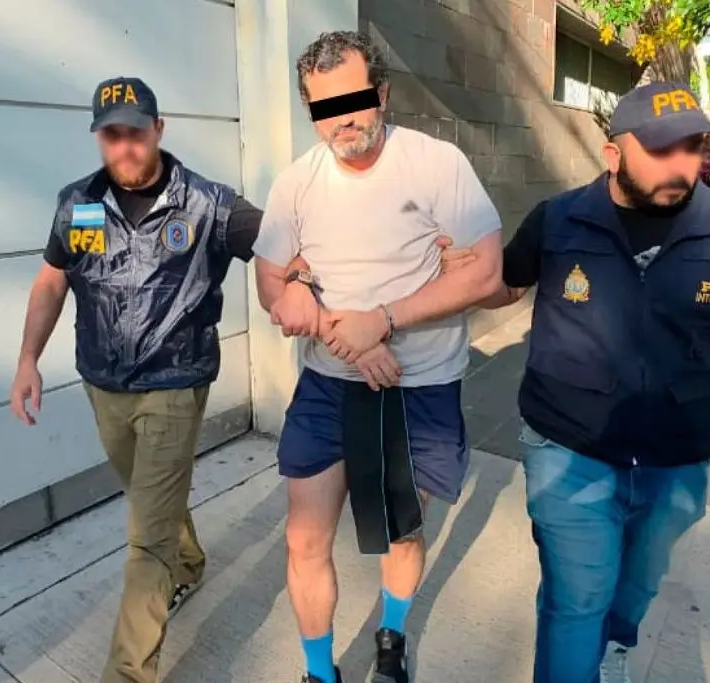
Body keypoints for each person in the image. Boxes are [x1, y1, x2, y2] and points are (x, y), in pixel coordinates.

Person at [443, 82, 710, 683]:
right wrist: (469, 276)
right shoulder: (559, 219)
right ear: (613, 154)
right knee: (577, 599)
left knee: (637, 583)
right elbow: (508, 284)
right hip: (568, 450)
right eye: (659, 149)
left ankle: (618, 642)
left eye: (693, 147)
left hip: (677, 461)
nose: (680, 164)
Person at [251, 31, 503, 683]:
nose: (342, 120)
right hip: (328, 388)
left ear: (382, 93)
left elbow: (485, 272)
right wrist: (317, 312)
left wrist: (382, 320)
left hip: (420, 387)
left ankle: (391, 635)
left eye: (354, 101)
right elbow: (269, 280)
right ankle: (319, 671)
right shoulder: (297, 184)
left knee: (401, 532)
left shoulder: (436, 166)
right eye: (324, 107)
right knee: (304, 538)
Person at [8, 77, 262, 683]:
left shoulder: (208, 204)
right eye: (112, 135)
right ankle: (189, 560)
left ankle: (128, 671)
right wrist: (27, 359)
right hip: (103, 383)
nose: (124, 146)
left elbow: (281, 243)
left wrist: (307, 284)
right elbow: (52, 279)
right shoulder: (79, 203)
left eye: (136, 133)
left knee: (146, 537)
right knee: (150, 499)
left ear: (158, 129)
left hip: (175, 382)